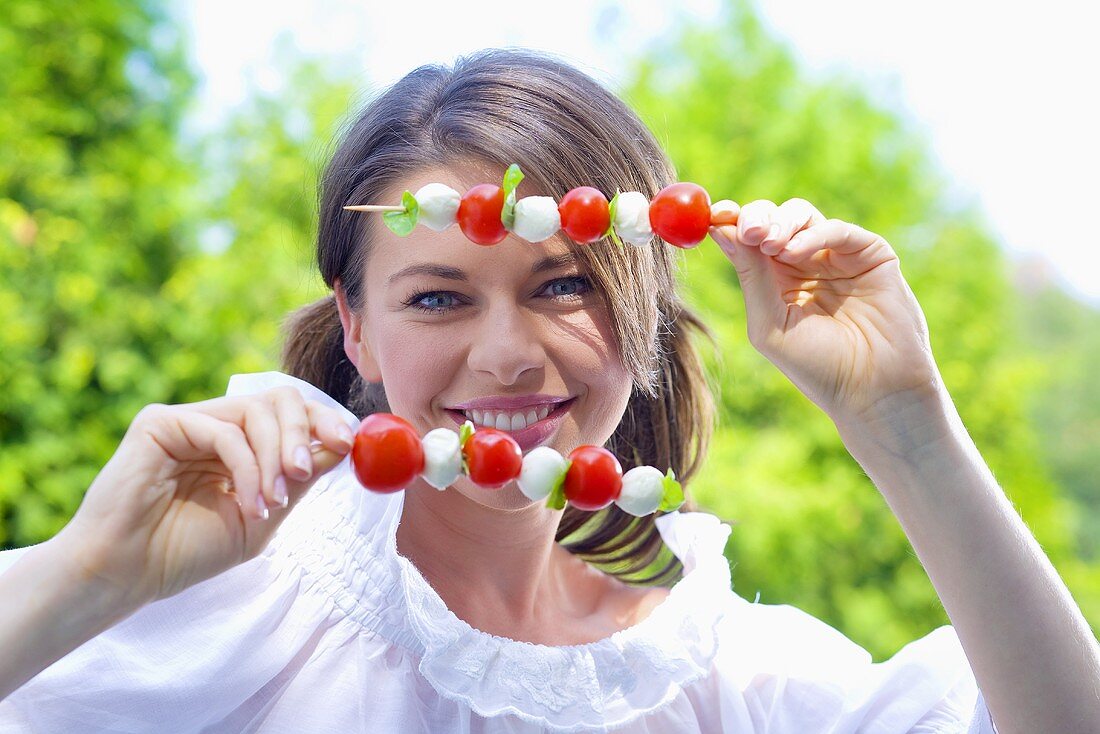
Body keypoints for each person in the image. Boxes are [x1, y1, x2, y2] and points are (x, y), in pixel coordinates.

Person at [0, 47, 1095, 733]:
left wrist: (903, 425)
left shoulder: (731, 676)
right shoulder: (223, 603)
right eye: (435, 299)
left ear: (643, 300)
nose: (508, 354)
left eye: (562, 283)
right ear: (355, 324)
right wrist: (87, 573)